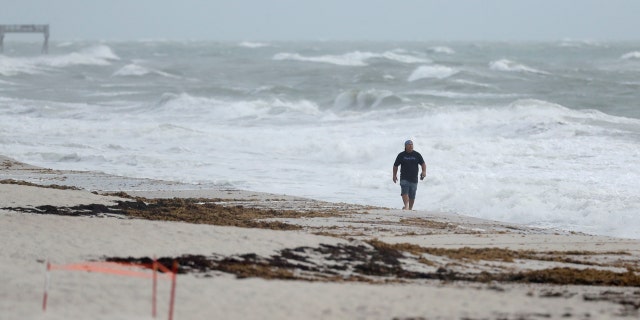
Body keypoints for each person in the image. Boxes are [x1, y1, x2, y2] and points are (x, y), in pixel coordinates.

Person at [392, 139, 426, 210]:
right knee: (404, 192)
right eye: (409, 145)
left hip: (414, 178)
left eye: (412, 144)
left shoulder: (417, 155)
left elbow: (423, 164)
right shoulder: (401, 155)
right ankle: (407, 206)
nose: (411, 146)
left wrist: (424, 171)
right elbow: (395, 166)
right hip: (404, 177)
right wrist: (394, 175)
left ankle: (409, 208)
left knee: (412, 195)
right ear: (405, 146)